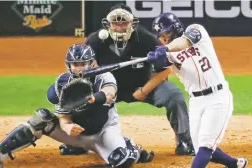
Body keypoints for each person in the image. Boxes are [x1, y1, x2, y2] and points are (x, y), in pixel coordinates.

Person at [0, 44, 154, 168]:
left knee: (123, 161)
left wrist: (93, 98)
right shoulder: (62, 84)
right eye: (75, 64)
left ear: (92, 64)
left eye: (83, 63)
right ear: (68, 65)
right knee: (42, 119)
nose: (79, 68)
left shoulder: (103, 76)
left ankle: (130, 147)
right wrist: (67, 127)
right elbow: (63, 116)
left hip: (104, 132)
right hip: (77, 134)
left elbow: (110, 92)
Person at [59, 3, 194, 156]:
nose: (119, 27)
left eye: (124, 22)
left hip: (141, 86)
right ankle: (77, 142)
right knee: (81, 94)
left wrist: (144, 91)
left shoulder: (145, 39)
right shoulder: (95, 41)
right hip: (107, 88)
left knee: (173, 95)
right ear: (108, 24)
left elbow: (164, 71)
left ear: (132, 23)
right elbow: (85, 71)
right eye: (115, 22)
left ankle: (184, 140)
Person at [146, 13, 248, 168]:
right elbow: (160, 64)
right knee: (200, 146)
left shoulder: (195, 31)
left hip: (218, 97)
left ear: (174, 28)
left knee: (206, 145)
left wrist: (165, 49)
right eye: (161, 37)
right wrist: (153, 58)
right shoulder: (169, 52)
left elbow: (183, 43)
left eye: (165, 34)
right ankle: (235, 164)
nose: (164, 39)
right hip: (196, 101)